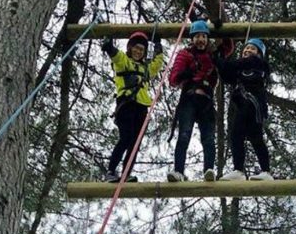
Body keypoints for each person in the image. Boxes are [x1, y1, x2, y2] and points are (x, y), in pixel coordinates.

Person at [167, 20, 234, 182]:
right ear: (192, 39)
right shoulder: (186, 54)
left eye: (204, 36)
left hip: (206, 100)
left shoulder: (212, 55)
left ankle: (208, 170)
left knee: (208, 138)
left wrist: (222, 30)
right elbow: (173, 79)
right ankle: (179, 171)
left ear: (207, 38)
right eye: (197, 36)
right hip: (189, 98)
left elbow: (228, 47)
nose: (201, 40)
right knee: (184, 135)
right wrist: (187, 74)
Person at [101, 31, 164, 182]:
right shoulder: (124, 62)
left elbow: (157, 64)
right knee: (126, 137)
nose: (138, 52)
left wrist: (158, 46)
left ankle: (126, 173)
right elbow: (116, 55)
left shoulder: (145, 69)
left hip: (142, 106)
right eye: (135, 48)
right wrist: (109, 46)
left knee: (135, 142)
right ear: (130, 48)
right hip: (126, 104)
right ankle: (110, 171)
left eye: (141, 50)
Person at [215, 38, 273, 181]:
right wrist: (217, 56)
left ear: (259, 54)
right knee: (249, 137)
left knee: (240, 133)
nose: (248, 50)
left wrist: (223, 62)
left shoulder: (258, 63)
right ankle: (242, 171)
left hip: (254, 103)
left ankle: (261, 171)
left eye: (252, 49)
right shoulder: (240, 72)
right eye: (246, 48)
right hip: (245, 105)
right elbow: (225, 72)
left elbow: (234, 65)